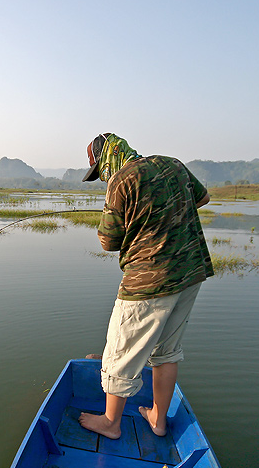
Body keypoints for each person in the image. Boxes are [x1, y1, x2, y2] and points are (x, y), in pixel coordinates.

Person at [78, 133, 214, 439]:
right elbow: (202, 198)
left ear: (108, 158)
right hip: (189, 273)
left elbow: (108, 241)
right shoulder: (173, 165)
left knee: (120, 351)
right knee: (166, 351)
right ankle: (158, 419)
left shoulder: (121, 181)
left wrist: (133, 219)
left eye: (100, 171)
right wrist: (165, 215)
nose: (103, 178)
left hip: (147, 281)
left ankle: (111, 423)